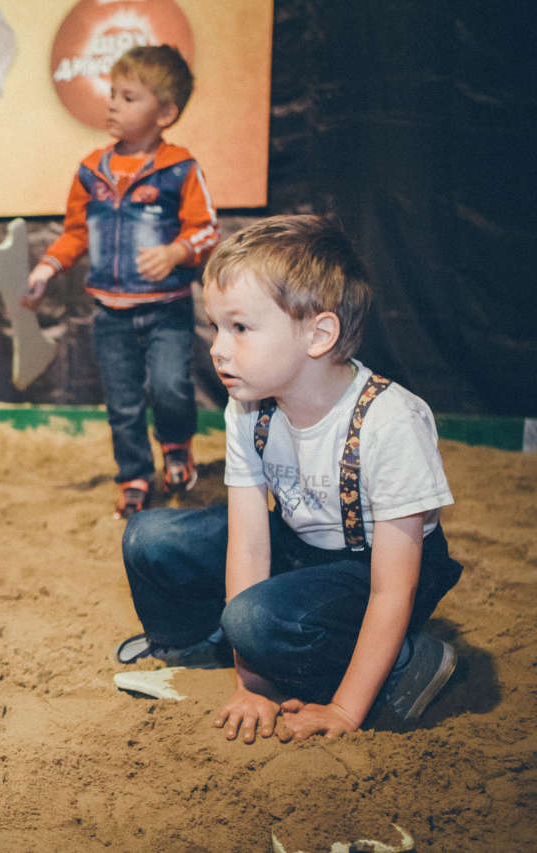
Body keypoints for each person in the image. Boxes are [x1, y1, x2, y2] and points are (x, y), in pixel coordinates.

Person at [116, 214, 462, 743]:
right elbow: (249, 544)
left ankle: (406, 660)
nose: (218, 348)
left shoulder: (390, 421)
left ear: (319, 334)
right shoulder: (247, 407)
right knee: (151, 538)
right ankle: (205, 641)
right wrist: (252, 683)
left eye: (241, 328)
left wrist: (345, 711)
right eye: (214, 327)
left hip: (377, 571)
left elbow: (395, 587)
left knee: (255, 619)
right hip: (299, 544)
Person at [22, 44, 219, 518]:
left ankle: (175, 446)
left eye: (128, 97)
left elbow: (207, 229)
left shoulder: (179, 168)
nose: (113, 104)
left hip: (166, 309)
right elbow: (74, 233)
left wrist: (176, 251)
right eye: (112, 94)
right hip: (109, 314)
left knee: (171, 387)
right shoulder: (91, 171)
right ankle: (133, 476)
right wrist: (48, 267)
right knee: (123, 403)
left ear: (165, 112)